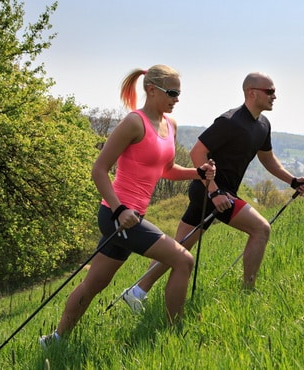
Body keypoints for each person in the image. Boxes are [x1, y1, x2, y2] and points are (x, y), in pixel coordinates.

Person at [39, 65, 216, 348]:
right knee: (183, 260)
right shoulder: (134, 122)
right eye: (172, 93)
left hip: (134, 217)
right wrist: (119, 209)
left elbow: (167, 169)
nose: (177, 99)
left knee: (95, 283)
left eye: (179, 93)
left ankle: (55, 340)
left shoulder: (170, 125)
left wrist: (198, 172)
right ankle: (174, 335)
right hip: (116, 215)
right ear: (151, 90)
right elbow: (99, 169)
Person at [119, 72, 304, 313]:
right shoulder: (230, 121)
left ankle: (137, 291)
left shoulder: (263, 125)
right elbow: (197, 153)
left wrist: (292, 180)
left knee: (180, 248)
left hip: (216, 193)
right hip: (212, 193)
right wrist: (215, 192)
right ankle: (248, 291)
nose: (275, 96)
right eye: (269, 91)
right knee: (261, 229)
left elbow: (267, 159)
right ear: (252, 93)